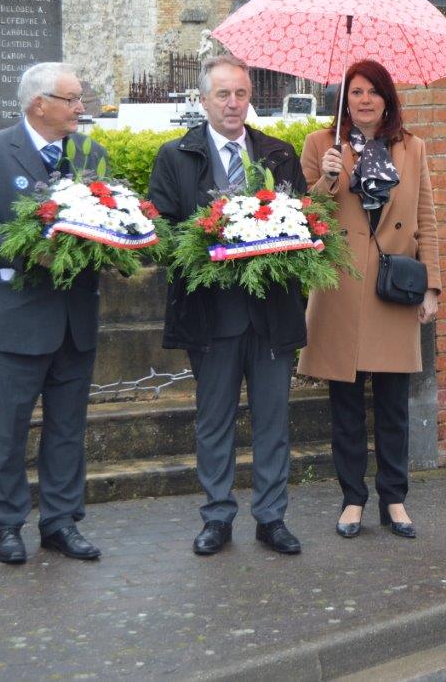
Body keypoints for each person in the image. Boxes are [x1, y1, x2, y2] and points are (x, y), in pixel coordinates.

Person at [148, 54, 308, 556]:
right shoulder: (176, 157)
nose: (233, 104)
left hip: (271, 314)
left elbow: (304, 228)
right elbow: (164, 231)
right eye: (223, 95)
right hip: (210, 315)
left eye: (241, 94)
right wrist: (214, 241)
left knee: (272, 420)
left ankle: (271, 517)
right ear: (203, 101)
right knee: (214, 420)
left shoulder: (280, 155)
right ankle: (216, 516)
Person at [0, 62, 105, 564]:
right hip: (19, 318)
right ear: (39, 104)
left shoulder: (90, 155)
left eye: (80, 98)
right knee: (5, 429)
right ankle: (5, 524)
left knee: (67, 430)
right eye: (72, 99)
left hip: (75, 319)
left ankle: (62, 522)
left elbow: (114, 212)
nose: (81, 108)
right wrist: (25, 250)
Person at [298, 60, 441, 539]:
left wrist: (432, 287)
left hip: (393, 287)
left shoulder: (411, 147)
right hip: (340, 286)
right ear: (345, 97)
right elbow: (305, 219)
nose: (364, 100)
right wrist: (327, 178)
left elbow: (426, 219)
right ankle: (352, 499)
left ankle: (395, 499)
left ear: (387, 98)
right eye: (355, 91)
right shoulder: (321, 145)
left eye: (373, 92)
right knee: (345, 402)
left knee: (394, 403)